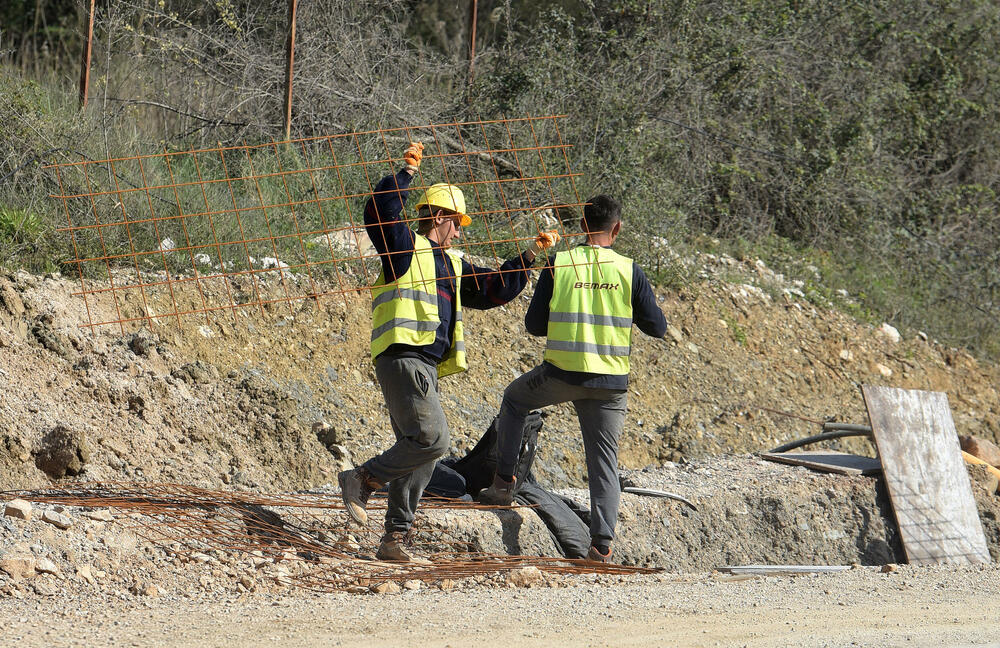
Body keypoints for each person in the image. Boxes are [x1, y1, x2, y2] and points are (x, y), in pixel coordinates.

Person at [338, 142, 559, 562]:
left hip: (425, 365)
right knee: (433, 440)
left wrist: (530, 254)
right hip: (402, 357)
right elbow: (380, 210)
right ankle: (363, 480)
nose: (460, 232)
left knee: (419, 449)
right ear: (439, 217)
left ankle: (394, 539)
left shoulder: (452, 265)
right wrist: (405, 174)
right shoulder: (404, 247)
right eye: (456, 224)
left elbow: (496, 288)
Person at [479, 194, 667, 564]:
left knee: (515, 401)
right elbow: (658, 328)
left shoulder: (558, 263)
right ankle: (601, 547)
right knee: (603, 463)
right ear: (617, 228)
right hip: (609, 384)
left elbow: (533, 325)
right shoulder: (629, 270)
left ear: (582, 226)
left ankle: (503, 484)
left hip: (561, 373)